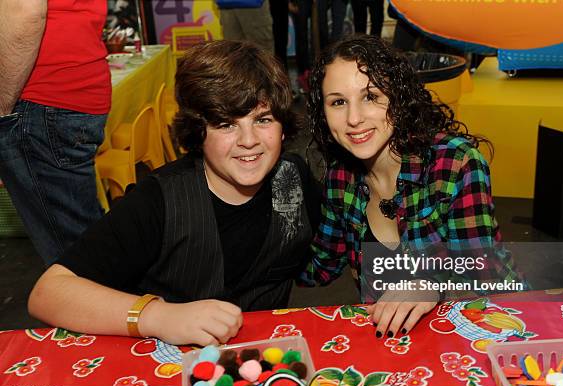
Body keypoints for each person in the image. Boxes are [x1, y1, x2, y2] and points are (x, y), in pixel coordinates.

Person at [28, 41, 321, 347]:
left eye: (262, 120)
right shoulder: (159, 200)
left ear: (283, 128)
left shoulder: (294, 179)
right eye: (226, 124)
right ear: (198, 132)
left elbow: (345, 239)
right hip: (169, 367)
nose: (249, 140)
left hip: (265, 364)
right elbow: (48, 294)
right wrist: (158, 316)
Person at [302, 36, 522, 339]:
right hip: (393, 345)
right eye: (338, 102)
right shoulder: (340, 179)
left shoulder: (454, 163)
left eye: (370, 96)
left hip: (483, 334)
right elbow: (319, 267)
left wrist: (432, 285)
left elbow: (485, 282)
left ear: (398, 97)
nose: (353, 118)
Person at [0, 0, 110, 266]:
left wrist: (2, 108)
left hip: (37, 98)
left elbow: (25, 10)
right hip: (62, 95)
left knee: (76, 261)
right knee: (84, 239)